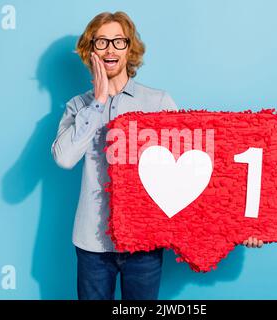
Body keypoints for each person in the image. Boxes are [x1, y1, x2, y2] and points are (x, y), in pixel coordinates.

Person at [51, 11, 262, 301]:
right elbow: (64, 159)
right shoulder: (78, 107)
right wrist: (98, 102)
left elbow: (202, 167)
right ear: (91, 50)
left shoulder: (159, 102)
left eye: (118, 41)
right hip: (92, 244)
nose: (110, 48)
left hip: (144, 246)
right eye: (101, 42)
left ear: (129, 49)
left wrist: (245, 223)